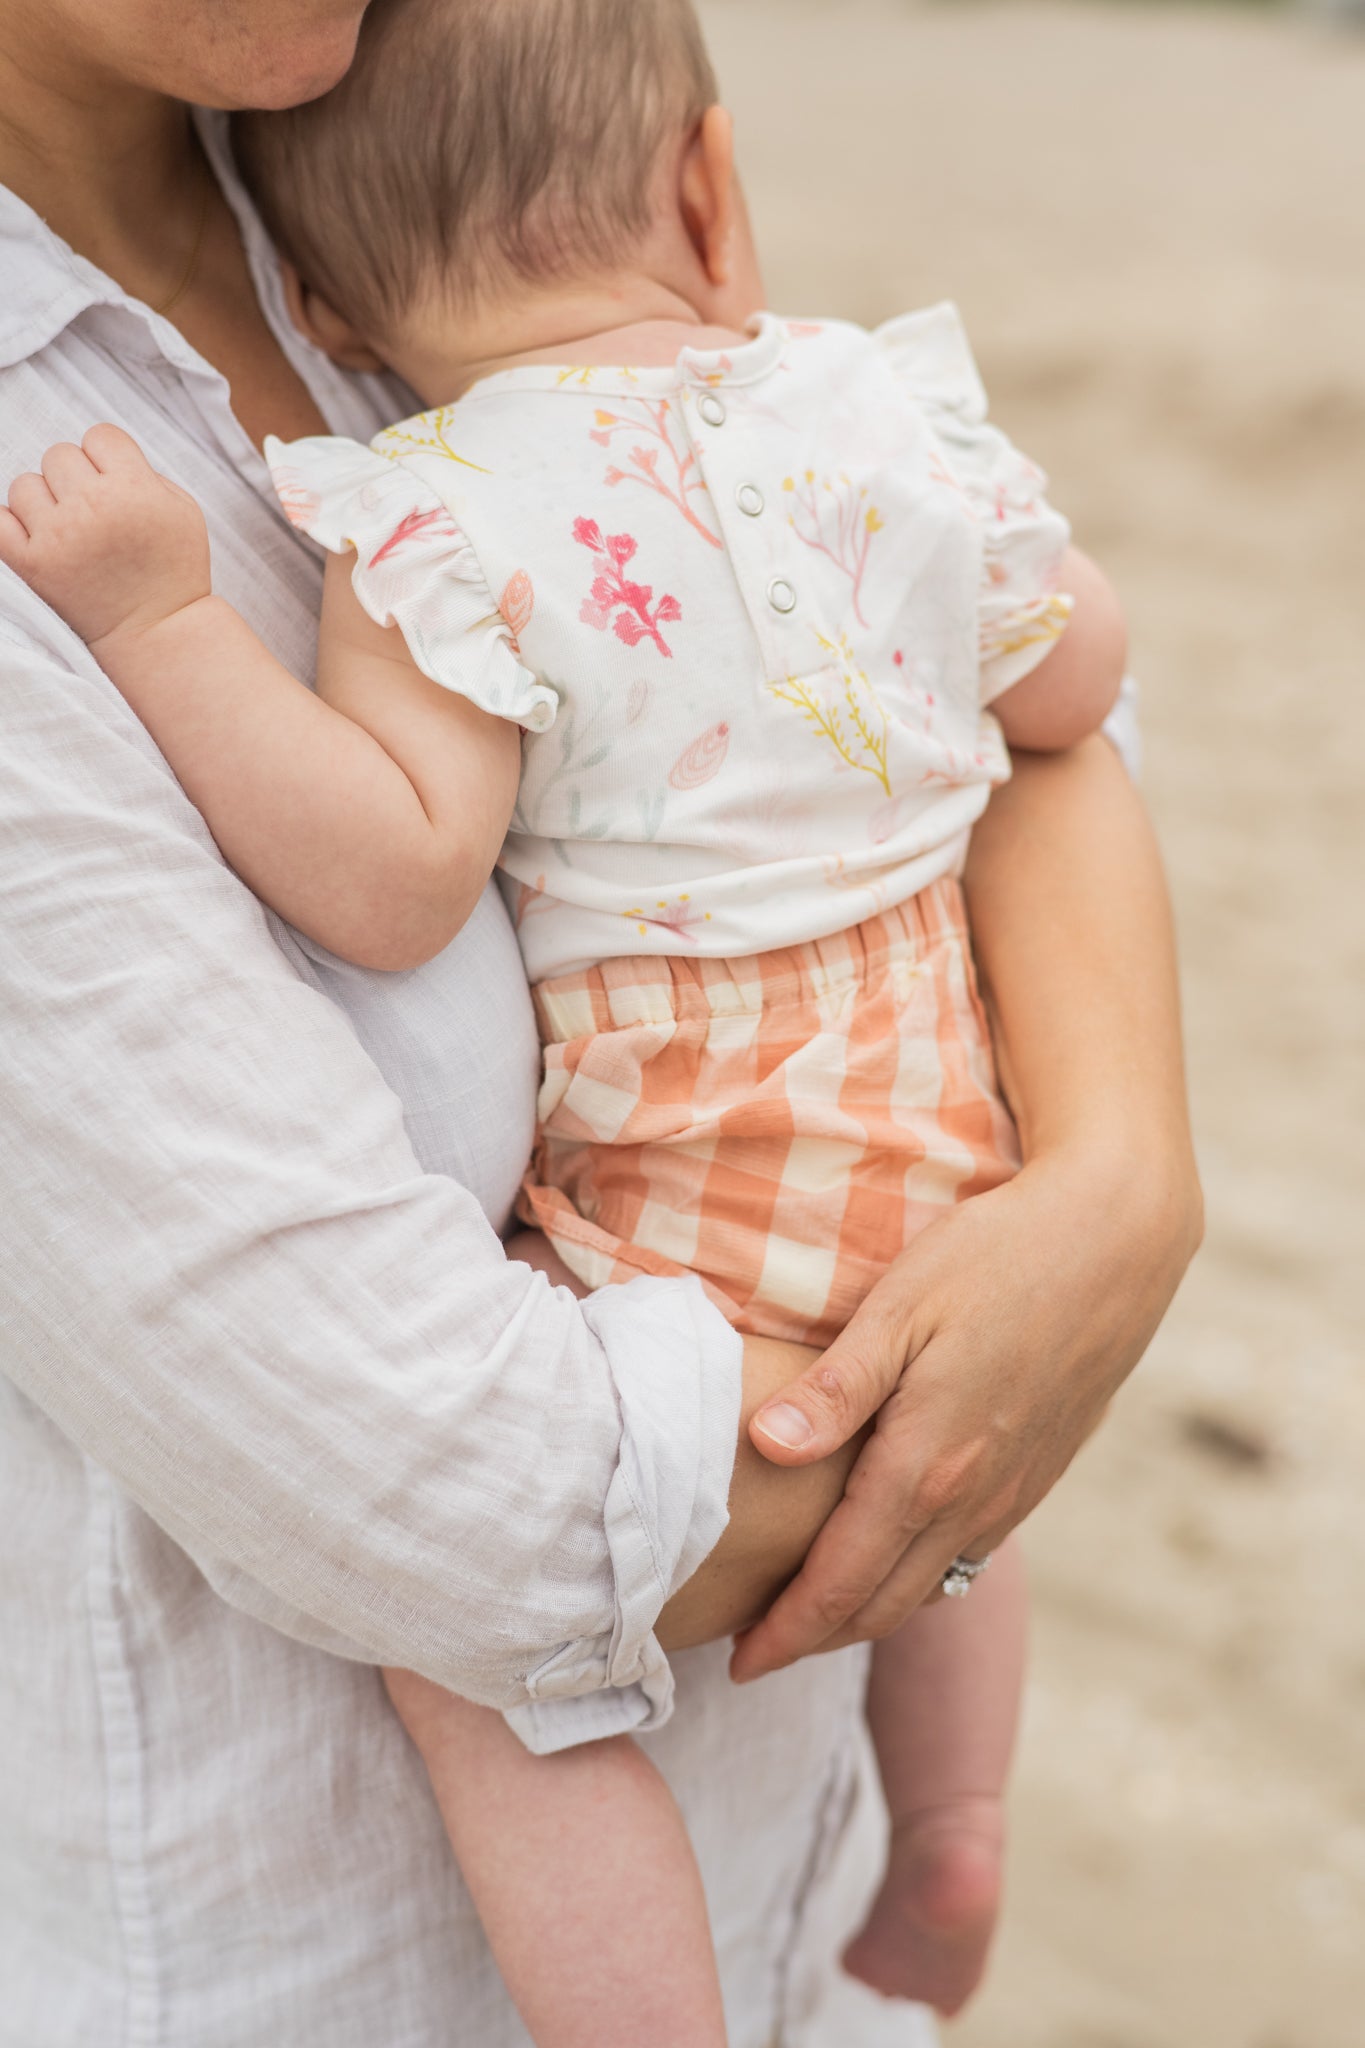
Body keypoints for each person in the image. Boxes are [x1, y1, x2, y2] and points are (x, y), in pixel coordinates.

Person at [0, 0, 1201, 2043]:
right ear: (714, 197)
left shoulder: (422, 433)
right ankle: (959, 1819)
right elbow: (1054, 706)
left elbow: (386, 870)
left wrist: (1129, 1177)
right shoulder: (815, 388)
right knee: (941, 1507)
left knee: (498, 1712)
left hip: (690, 1227)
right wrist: (1067, 1194)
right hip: (926, 1146)